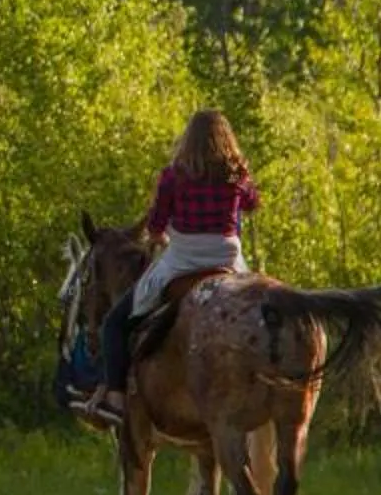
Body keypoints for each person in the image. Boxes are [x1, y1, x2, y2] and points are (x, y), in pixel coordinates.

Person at [79, 110, 260, 430]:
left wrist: (159, 237)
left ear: (187, 139)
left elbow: (156, 226)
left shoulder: (173, 176)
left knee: (115, 323)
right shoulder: (235, 174)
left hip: (183, 259)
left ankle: (116, 398)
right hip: (228, 259)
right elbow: (252, 203)